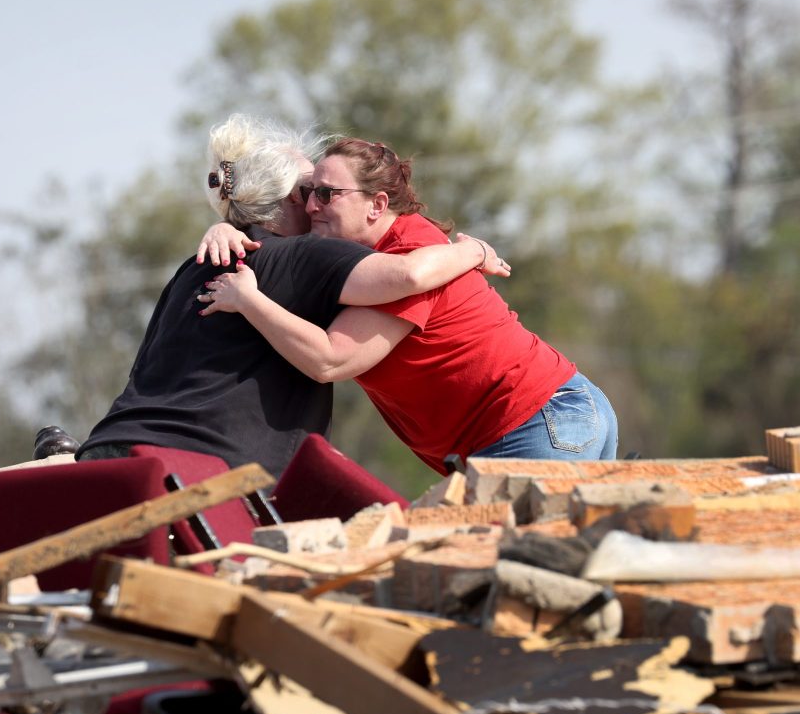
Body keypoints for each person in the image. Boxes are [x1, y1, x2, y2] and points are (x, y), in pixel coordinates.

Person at [76, 117, 509, 477]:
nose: (318, 203)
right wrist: (474, 250)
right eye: (311, 191)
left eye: (326, 191)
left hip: (113, 454)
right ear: (287, 200)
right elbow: (409, 273)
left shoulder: (193, 267)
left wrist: (226, 224)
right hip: (197, 473)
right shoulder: (306, 255)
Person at [197, 137, 618, 474]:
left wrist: (247, 300)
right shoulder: (346, 261)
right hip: (537, 423)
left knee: (523, 572)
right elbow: (274, 241)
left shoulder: (411, 252)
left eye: (325, 194)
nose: (310, 206)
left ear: (377, 205)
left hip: (533, 420)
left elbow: (331, 360)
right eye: (306, 194)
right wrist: (226, 226)